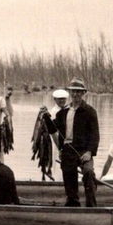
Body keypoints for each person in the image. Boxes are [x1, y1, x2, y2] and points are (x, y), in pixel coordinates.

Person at [41, 78, 99, 207]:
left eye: (78, 92)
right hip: (68, 151)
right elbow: (52, 129)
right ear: (70, 93)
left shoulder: (90, 111)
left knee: (89, 173)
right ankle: (73, 205)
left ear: (83, 93)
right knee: (69, 177)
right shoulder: (63, 112)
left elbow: (95, 135)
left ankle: (92, 206)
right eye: (73, 91)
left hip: (84, 151)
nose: (76, 94)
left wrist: (89, 152)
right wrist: (45, 116)